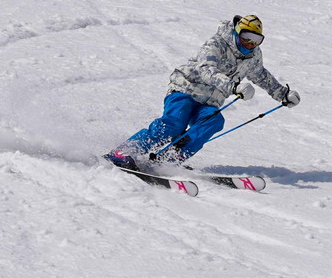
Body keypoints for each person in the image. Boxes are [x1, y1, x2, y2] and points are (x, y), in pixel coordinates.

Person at [106, 14, 300, 169]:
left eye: (257, 40)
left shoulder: (253, 55)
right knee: (175, 124)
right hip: (185, 89)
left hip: (209, 102)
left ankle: (170, 159)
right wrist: (233, 87)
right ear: (237, 32)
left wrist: (282, 94)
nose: (251, 44)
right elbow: (206, 69)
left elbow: (261, 75)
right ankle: (124, 151)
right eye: (247, 38)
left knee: (214, 121)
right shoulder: (217, 43)